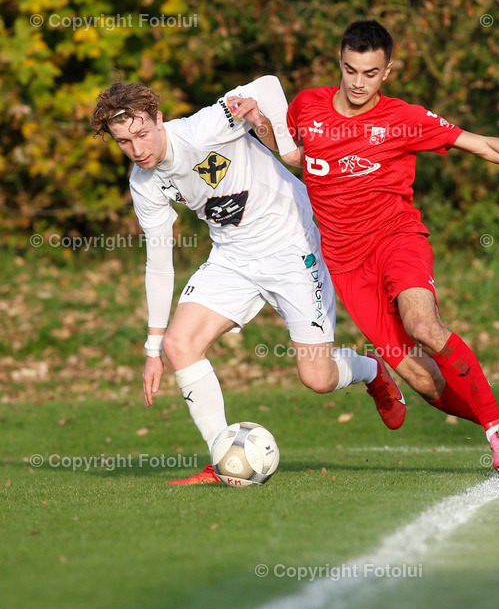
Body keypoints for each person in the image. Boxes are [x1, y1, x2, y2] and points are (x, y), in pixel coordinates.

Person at [274, 20, 499, 472]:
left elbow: (481, 145)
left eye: (370, 73)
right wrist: (261, 128)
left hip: (396, 240)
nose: (358, 82)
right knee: (423, 382)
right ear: (339, 63)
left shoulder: (405, 119)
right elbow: (297, 157)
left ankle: (493, 429)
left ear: (387, 71)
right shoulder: (306, 105)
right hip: (345, 265)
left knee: (422, 325)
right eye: (350, 70)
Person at [91, 75, 406, 484]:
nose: (137, 150)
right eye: (124, 143)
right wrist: (153, 349)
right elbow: (159, 263)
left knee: (318, 378)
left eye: (142, 134)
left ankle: (371, 370)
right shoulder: (144, 182)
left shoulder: (206, 127)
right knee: (178, 344)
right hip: (232, 257)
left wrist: (290, 150)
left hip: (293, 246)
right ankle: (224, 459)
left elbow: (270, 85)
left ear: (159, 119)